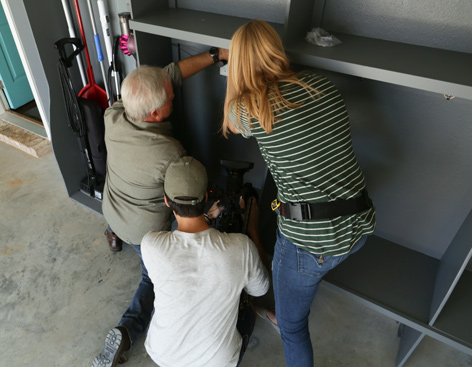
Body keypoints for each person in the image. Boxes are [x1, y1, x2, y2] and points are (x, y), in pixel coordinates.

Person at [222, 20, 376, 367]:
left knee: (293, 327)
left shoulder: (249, 108)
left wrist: (232, 71)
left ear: (240, 63)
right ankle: (297, 297)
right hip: (360, 223)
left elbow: (231, 120)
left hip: (310, 246)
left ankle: (289, 315)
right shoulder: (323, 86)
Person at [93, 48, 228, 367]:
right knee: (153, 279)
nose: (174, 95)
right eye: (170, 97)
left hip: (111, 210)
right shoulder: (169, 153)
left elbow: (170, 74)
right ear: (155, 114)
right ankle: (126, 330)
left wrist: (216, 54)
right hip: (143, 232)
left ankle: (113, 237)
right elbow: (181, 204)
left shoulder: (114, 114)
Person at [141, 156, 270, 367]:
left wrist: (208, 219)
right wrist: (253, 230)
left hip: (161, 353)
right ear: (207, 195)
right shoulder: (242, 246)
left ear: (166, 200)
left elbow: (187, 249)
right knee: (247, 309)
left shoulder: (150, 244)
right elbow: (261, 289)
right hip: (219, 362)